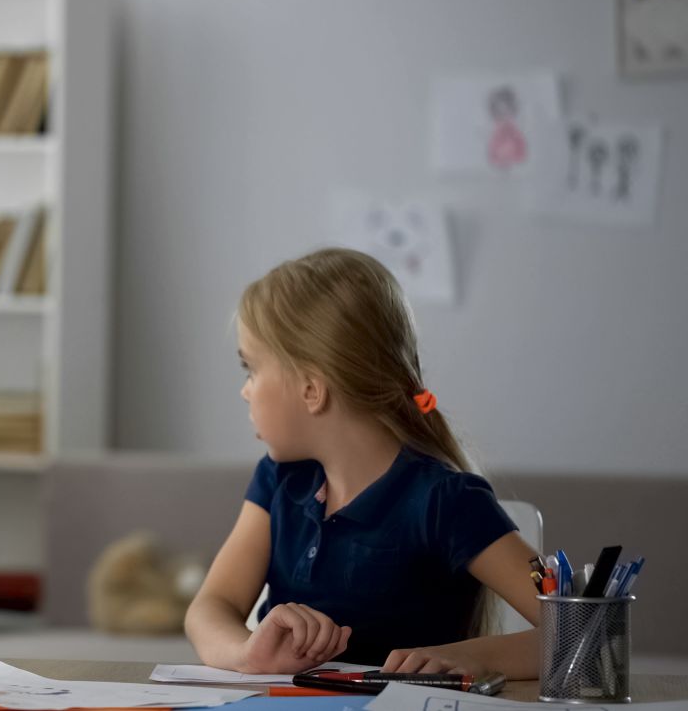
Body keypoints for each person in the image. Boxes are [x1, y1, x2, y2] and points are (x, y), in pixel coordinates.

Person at [184, 248, 542, 679]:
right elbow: (209, 608)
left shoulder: (446, 500)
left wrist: (473, 658)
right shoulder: (278, 479)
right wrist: (248, 654)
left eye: (251, 370)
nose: (246, 391)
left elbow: (586, 636)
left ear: (312, 390)